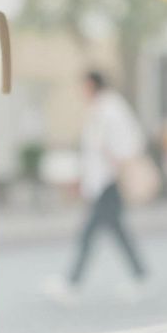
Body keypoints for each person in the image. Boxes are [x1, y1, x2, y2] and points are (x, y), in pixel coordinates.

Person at [54, 70, 150, 299]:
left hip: (109, 182)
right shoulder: (101, 108)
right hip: (101, 183)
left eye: (82, 87)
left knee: (89, 233)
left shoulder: (111, 108)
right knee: (116, 231)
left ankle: (71, 283)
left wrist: (115, 162)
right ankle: (140, 276)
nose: (80, 93)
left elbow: (128, 142)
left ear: (91, 85)